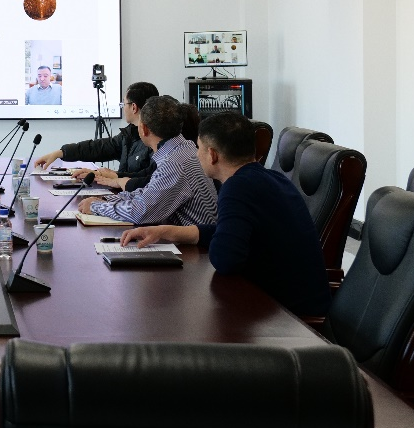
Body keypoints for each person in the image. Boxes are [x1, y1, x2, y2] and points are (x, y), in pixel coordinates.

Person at [121, 112, 331, 318]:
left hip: (292, 319)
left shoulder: (237, 188)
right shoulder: (272, 178)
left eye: (199, 148)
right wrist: (165, 232)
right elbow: (228, 232)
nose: (196, 155)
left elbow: (224, 259)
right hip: (292, 304)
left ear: (212, 155)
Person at [78, 95, 217, 226]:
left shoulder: (174, 163)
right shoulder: (185, 148)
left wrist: (96, 206)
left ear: (143, 129)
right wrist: (107, 199)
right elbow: (148, 193)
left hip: (193, 242)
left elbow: (140, 212)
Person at [34, 81, 159, 191]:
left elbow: (150, 179)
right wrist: (61, 153)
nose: (122, 108)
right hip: (123, 195)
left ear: (133, 107)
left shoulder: (155, 140)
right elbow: (97, 147)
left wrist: (114, 176)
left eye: (123, 104)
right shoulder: (129, 134)